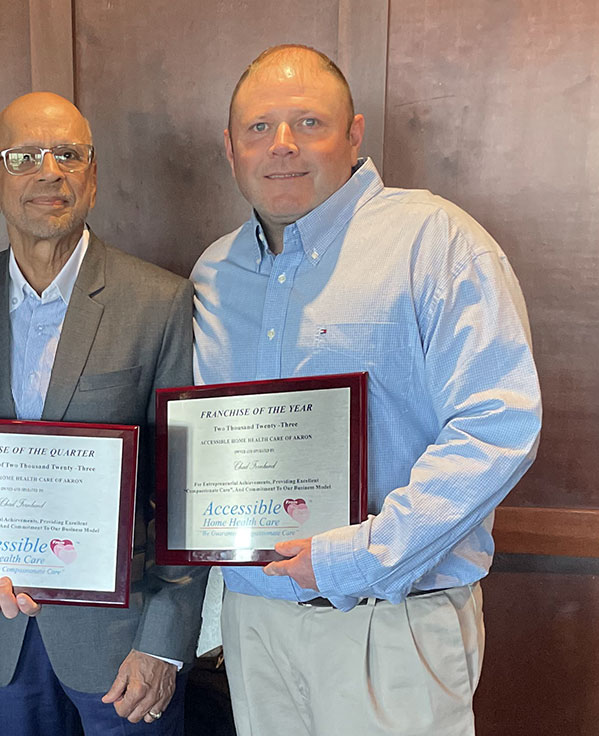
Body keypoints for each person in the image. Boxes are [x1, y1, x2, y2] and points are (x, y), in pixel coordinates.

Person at [191, 43, 542, 735]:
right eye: (259, 128)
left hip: (391, 626)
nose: (282, 146)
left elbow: (499, 426)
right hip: (255, 624)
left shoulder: (436, 242)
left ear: (353, 135)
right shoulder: (215, 272)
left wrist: (357, 557)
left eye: (309, 124)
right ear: (230, 148)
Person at [0, 92, 208, 735]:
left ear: (93, 179)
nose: (49, 171)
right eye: (24, 156)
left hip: (124, 644)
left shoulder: (160, 302)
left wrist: (165, 640)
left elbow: (187, 485)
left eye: (69, 154)